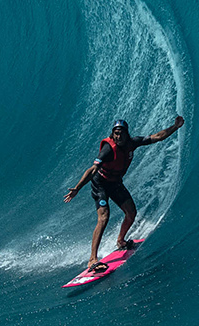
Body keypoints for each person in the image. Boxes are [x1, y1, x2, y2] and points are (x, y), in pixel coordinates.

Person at [64, 114, 185, 276]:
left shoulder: (132, 143)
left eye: (121, 132)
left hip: (115, 184)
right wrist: (78, 188)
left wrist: (175, 127)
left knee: (131, 213)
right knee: (103, 217)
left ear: (127, 133)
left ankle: (121, 241)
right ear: (113, 134)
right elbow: (92, 170)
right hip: (100, 185)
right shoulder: (108, 149)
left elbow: (157, 137)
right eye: (116, 133)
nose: (119, 136)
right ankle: (92, 259)